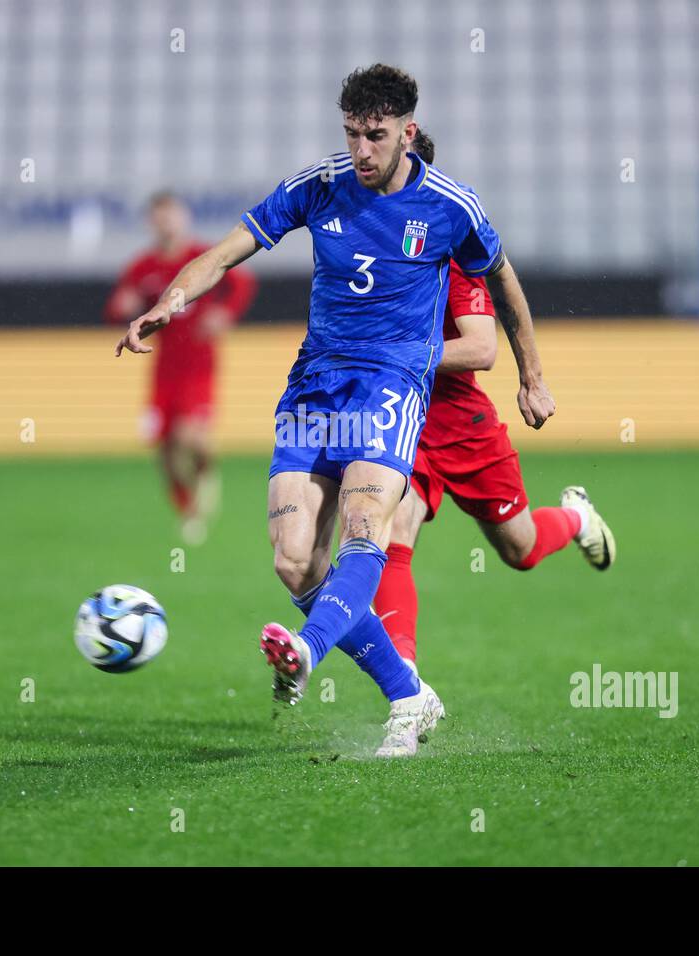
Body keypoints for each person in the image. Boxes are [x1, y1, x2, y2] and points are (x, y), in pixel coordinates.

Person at [117, 65, 555, 758]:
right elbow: (226, 251)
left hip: (390, 388)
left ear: (407, 133)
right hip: (313, 387)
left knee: (364, 527)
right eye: (351, 134)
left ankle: (308, 649)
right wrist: (170, 301)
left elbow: (503, 280)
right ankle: (408, 695)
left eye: (375, 136)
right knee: (294, 563)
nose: (361, 151)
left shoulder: (451, 206)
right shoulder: (318, 185)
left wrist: (532, 374)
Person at [372, 129, 616, 677]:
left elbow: (482, 349)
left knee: (520, 550)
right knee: (391, 532)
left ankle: (575, 518)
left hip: (460, 423)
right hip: (398, 422)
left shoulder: (452, 256)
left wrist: (531, 376)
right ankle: (405, 682)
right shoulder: (366, 247)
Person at [104, 191, 256, 545]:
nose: (165, 222)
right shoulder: (144, 267)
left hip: (199, 362)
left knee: (192, 438)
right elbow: (117, 307)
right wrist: (122, 307)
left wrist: (226, 313)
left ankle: (205, 477)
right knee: (165, 449)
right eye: (159, 216)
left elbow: (242, 283)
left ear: (183, 217)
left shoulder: (199, 259)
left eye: (171, 215)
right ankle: (189, 510)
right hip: (163, 367)